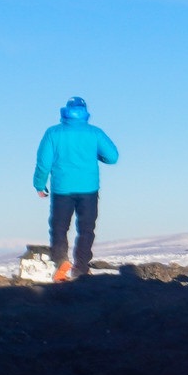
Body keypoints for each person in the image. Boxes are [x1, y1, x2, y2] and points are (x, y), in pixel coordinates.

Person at [32, 97, 120, 282]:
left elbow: (43, 163)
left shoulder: (53, 133)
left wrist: (40, 185)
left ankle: (61, 262)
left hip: (62, 189)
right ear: (85, 112)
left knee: (59, 228)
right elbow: (112, 157)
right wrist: (96, 156)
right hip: (89, 189)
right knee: (86, 229)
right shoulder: (94, 133)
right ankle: (81, 268)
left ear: (65, 111)